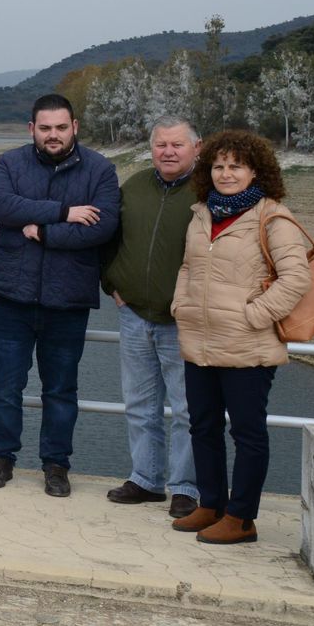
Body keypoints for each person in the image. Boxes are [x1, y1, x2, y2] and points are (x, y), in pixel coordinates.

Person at [170, 130, 310, 545]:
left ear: (255, 171)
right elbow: (187, 268)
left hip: (249, 346)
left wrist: (253, 316)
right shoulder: (202, 214)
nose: (226, 174)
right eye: (218, 165)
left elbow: (296, 278)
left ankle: (242, 517)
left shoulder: (273, 217)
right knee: (202, 427)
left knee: (248, 434)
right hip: (200, 341)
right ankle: (210, 505)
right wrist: (183, 305)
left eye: (236, 166)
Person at [0, 93, 120, 498]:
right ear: (32, 130)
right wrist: (64, 212)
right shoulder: (11, 162)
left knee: (60, 389)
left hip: (68, 299)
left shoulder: (100, 169)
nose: (53, 135)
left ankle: (56, 465)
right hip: (12, 295)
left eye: (61, 127)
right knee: (4, 386)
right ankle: (0, 458)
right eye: (45, 128)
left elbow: (101, 227)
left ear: (75, 126)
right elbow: (2, 206)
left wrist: (42, 230)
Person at [100, 116, 202, 518]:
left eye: (177, 145)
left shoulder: (209, 191)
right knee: (140, 404)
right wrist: (112, 284)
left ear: (197, 147)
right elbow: (107, 239)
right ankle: (145, 479)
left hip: (184, 320)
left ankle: (185, 487)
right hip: (134, 315)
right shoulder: (134, 187)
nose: (168, 152)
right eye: (161, 144)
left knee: (187, 408)